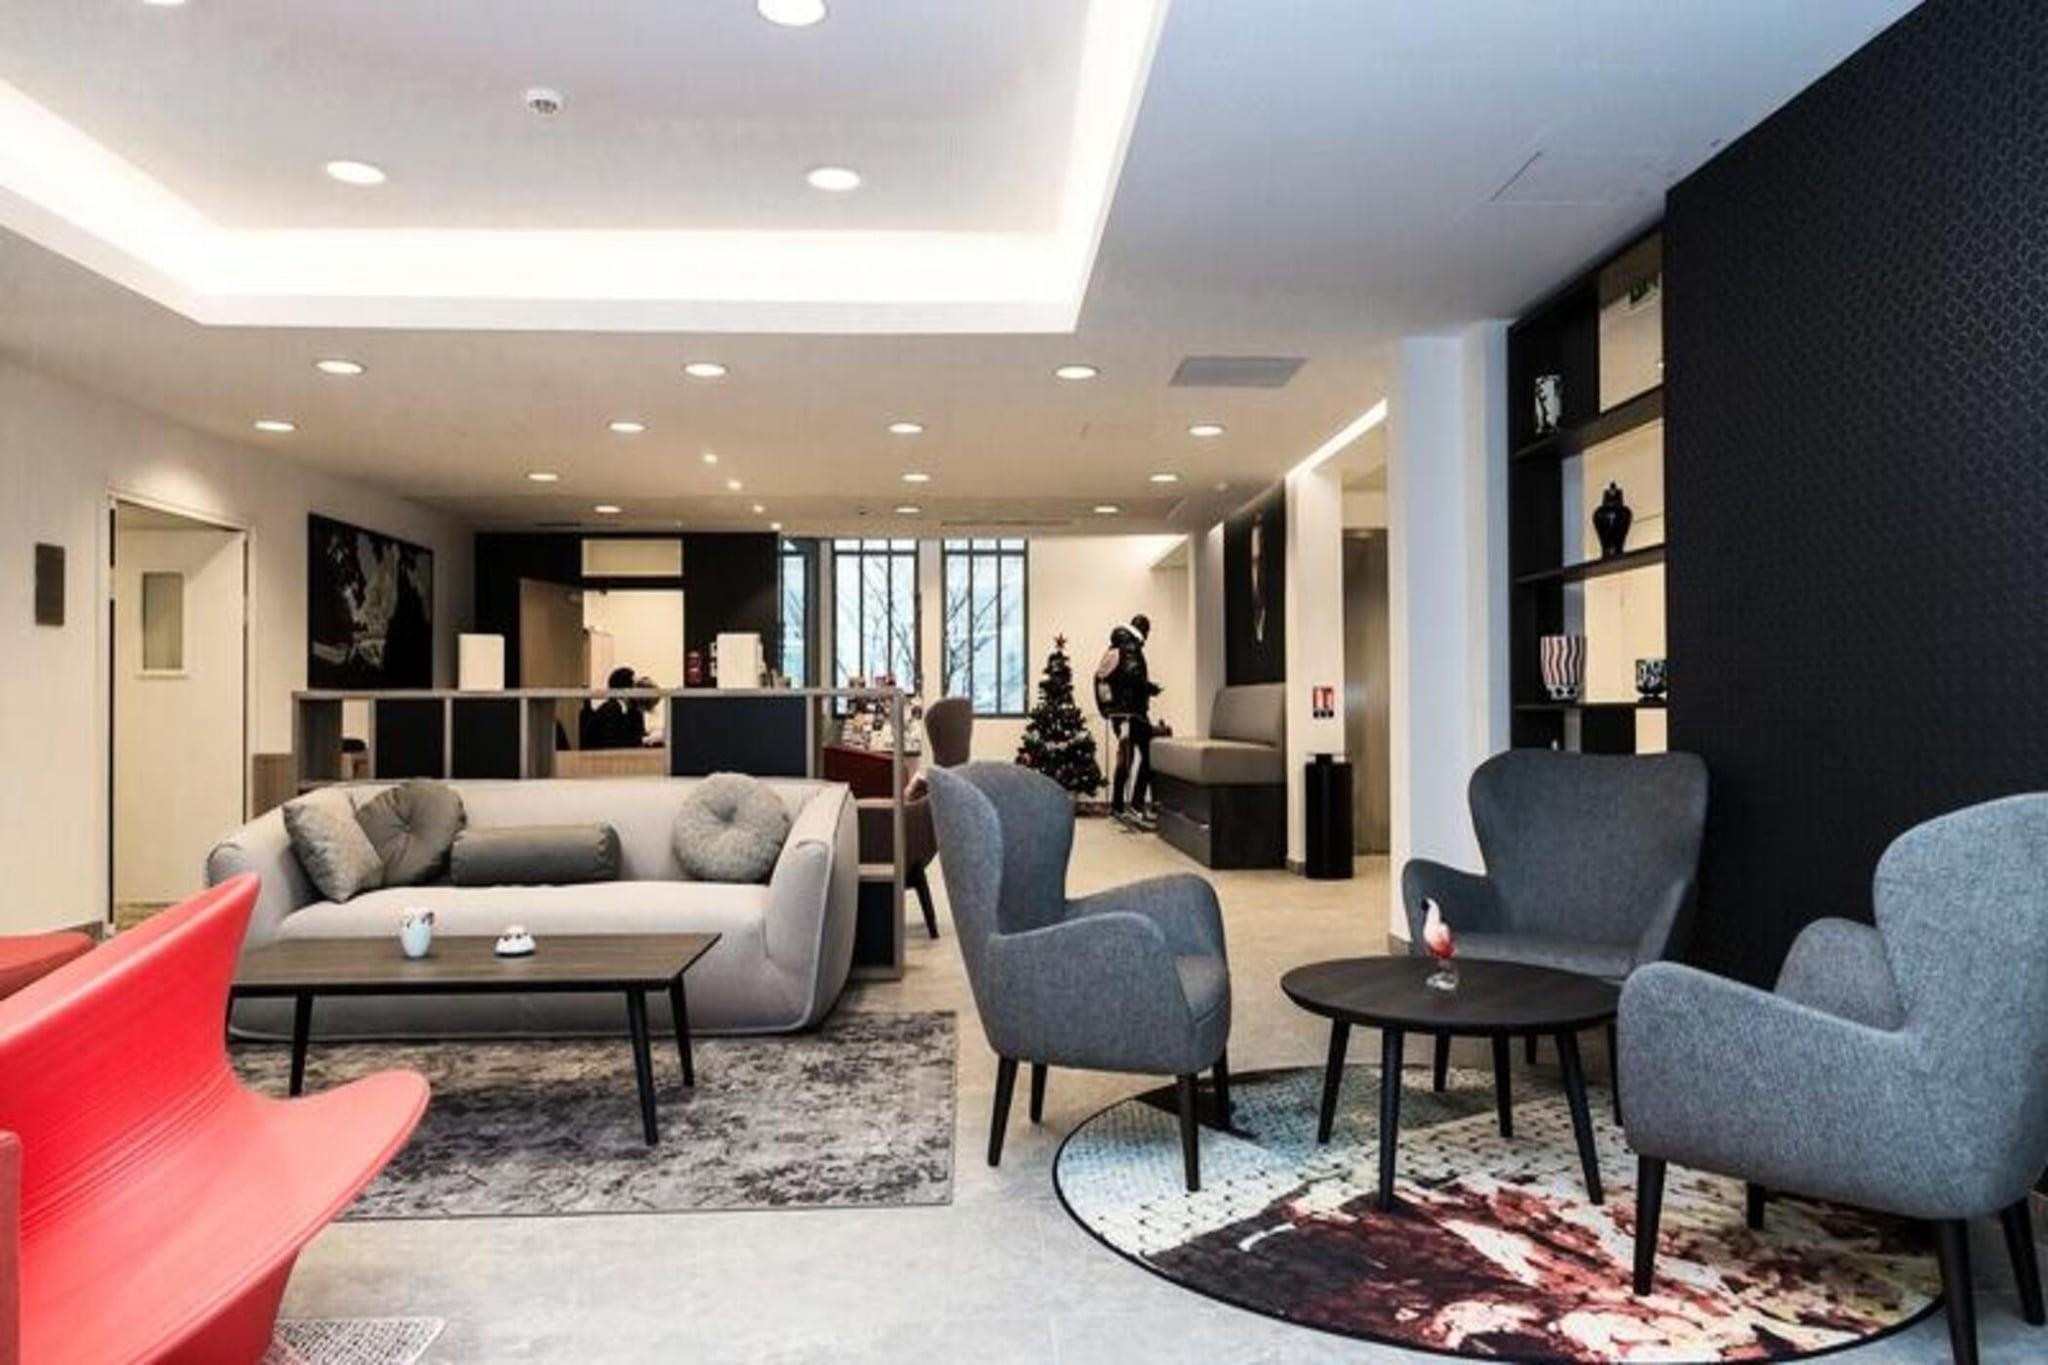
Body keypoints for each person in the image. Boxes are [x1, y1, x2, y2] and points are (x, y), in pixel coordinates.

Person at [1103, 615, 1161, 822]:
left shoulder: (1115, 646)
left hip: (1119, 715)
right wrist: (1151, 688)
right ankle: (1136, 804)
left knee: (1125, 758)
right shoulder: (1131, 647)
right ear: (1143, 630)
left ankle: (1117, 806)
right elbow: (1134, 677)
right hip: (1133, 713)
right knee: (1151, 754)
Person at [579, 666, 648, 750]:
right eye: (635, 686)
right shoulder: (610, 710)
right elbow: (612, 744)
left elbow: (637, 734)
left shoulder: (632, 710)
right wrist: (644, 740)